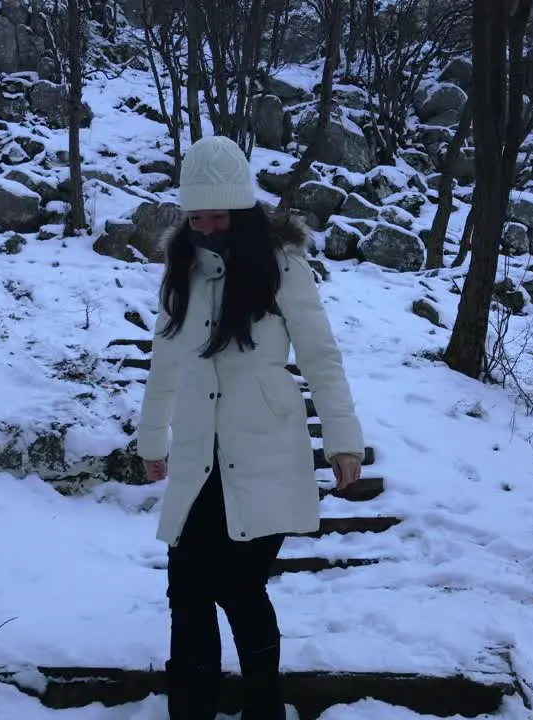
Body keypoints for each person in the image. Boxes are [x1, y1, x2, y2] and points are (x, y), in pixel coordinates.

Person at [135, 134, 366, 720]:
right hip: (196, 452)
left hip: (265, 449)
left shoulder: (283, 265)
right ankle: (192, 710)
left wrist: (341, 439)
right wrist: (152, 436)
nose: (206, 227)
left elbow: (321, 356)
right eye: (196, 215)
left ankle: (265, 708)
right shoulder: (180, 268)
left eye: (217, 215)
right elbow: (165, 360)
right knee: (186, 593)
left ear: (241, 209)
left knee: (238, 588)